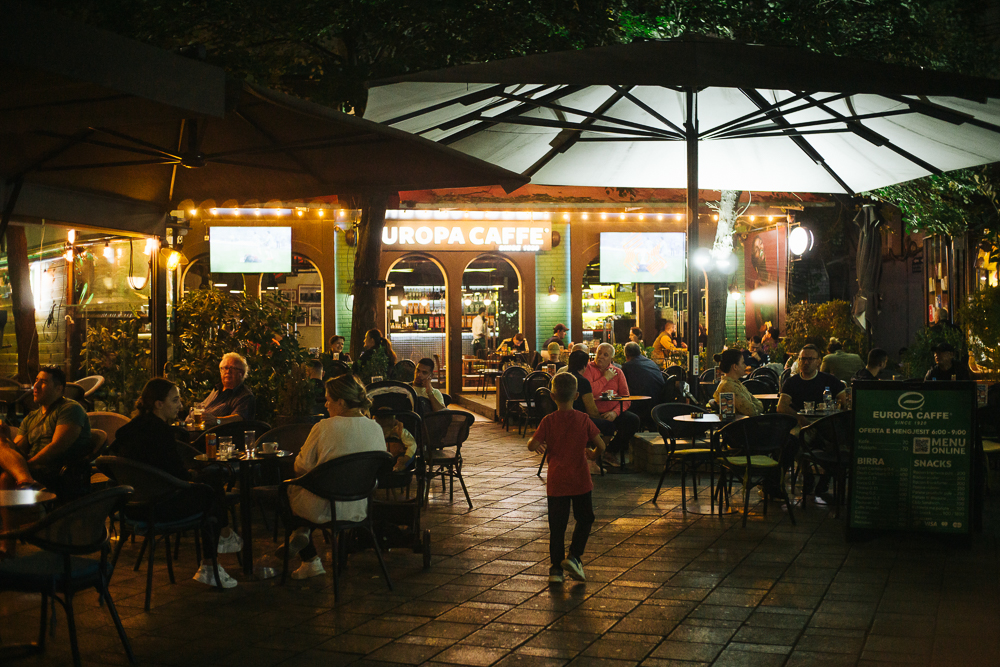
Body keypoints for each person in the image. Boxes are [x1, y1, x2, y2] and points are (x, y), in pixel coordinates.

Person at [116, 378, 242, 588]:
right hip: (160, 506)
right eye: (175, 400)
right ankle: (214, 556)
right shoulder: (161, 432)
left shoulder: (128, 430)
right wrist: (194, 475)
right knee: (211, 490)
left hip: (131, 507)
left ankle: (223, 539)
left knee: (208, 483)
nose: (180, 405)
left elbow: (111, 462)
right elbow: (179, 476)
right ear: (159, 404)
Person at [279, 374, 387, 579]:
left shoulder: (324, 427)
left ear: (341, 402)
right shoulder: (375, 428)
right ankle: (302, 531)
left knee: (284, 491)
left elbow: (301, 466)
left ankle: (309, 556)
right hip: (359, 506)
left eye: (328, 400)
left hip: (324, 506)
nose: (326, 405)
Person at [0, 366, 92, 557]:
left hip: (58, 471)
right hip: (31, 470)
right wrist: (6, 437)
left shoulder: (70, 409)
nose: (35, 386)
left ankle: (8, 545)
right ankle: (26, 480)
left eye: (43, 382)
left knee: (6, 478)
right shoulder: (31, 417)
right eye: (35, 381)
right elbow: (16, 450)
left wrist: (27, 465)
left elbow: (57, 447)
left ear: (59, 388)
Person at [527, 372, 604, 583]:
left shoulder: (548, 421)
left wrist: (536, 444)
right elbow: (601, 444)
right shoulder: (583, 419)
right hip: (580, 479)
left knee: (557, 526)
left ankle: (555, 570)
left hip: (557, 480)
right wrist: (593, 454)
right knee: (585, 518)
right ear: (577, 395)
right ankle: (574, 556)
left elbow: (532, 445)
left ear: (552, 396)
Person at [581, 343, 641, 467]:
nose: (601, 357)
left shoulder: (618, 372)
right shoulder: (588, 369)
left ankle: (610, 451)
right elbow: (590, 391)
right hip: (593, 412)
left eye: (605, 355)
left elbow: (626, 398)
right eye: (599, 353)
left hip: (612, 411)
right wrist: (606, 378)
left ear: (611, 358)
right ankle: (595, 454)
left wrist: (615, 413)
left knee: (633, 420)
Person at [777, 345, 847, 429]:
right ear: (799, 361)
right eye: (803, 359)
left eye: (810, 359)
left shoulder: (829, 380)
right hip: (800, 425)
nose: (806, 362)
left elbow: (846, 403)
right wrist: (800, 418)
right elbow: (781, 407)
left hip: (826, 424)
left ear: (818, 361)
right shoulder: (791, 382)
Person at [198, 352, 255, 422]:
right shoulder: (217, 390)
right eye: (225, 368)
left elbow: (238, 419)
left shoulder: (245, 396)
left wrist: (216, 421)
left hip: (217, 429)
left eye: (232, 368)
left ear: (241, 373)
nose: (228, 371)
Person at [621, 342, 664, 429]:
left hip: (641, 404)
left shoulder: (627, 366)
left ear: (626, 355)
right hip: (658, 401)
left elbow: (622, 387)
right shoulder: (651, 363)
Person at [713, 349, 763, 417]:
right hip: (744, 423)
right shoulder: (729, 386)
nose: (745, 366)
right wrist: (758, 407)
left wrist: (757, 406)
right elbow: (751, 411)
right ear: (735, 367)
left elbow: (756, 404)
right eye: (743, 363)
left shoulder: (735, 383)